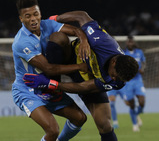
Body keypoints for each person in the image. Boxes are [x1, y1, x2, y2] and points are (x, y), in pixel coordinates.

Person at [23, 11, 139, 141]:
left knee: (104, 125)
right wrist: (55, 19)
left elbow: (84, 87)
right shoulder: (101, 41)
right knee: (58, 37)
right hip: (71, 55)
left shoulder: (118, 81)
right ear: (114, 62)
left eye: (118, 79)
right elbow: (82, 16)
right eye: (114, 75)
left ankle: (53, 89)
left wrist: (54, 84)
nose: (114, 79)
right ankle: (52, 92)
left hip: (88, 77)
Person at [12, 0, 92, 141]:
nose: (33, 19)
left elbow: (74, 30)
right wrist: (80, 67)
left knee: (80, 118)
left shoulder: (47, 25)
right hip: (28, 90)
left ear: (40, 13)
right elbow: (49, 69)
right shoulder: (21, 42)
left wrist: (84, 39)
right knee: (52, 130)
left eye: (35, 14)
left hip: (47, 86)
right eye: (27, 16)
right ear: (21, 19)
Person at [107, 35, 146, 132]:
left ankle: (137, 113)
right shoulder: (123, 53)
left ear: (134, 42)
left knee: (142, 101)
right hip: (127, 81)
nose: (130, 43)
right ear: (126, 43)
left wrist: (143, 69)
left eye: (132, 41)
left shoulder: (139, 52)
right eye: (129, 42)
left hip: (138, 80)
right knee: (130, 104)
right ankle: (134, 125)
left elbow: (144, 62)